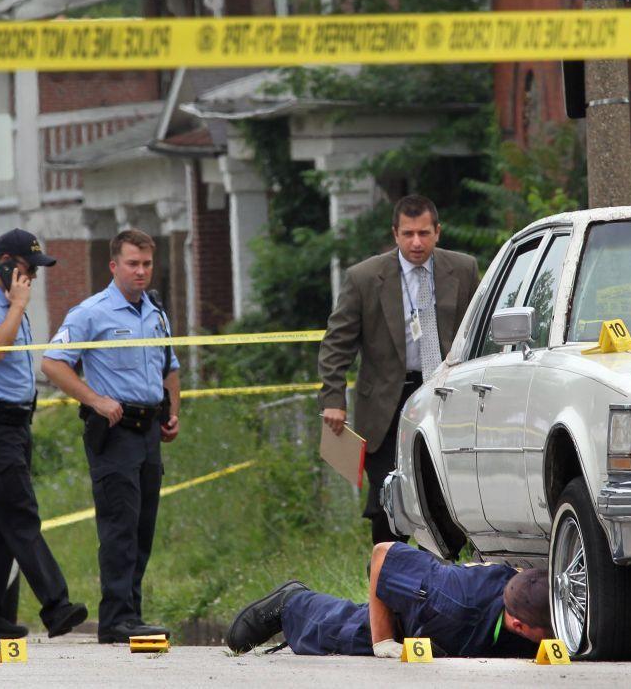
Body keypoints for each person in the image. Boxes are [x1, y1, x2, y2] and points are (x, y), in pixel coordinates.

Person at [41, 229, 181, 644]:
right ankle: (116, 617)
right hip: (115, 433)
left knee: (143, 526)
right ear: (114, 265)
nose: (141, 271)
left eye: (147, 264)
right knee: (119, 525)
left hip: (148, 430)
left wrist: (173, 412)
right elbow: (53, 364)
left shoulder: (155, 312)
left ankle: (131, 612)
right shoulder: (91, 313)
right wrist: (96, 399)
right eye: (133, 264)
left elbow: (169, 366)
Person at [0, 228, 87, 640]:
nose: (33, 278)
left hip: (14, 423)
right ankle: (56, 604)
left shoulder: (11, 303)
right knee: (21, 513)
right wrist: (19, 304)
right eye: (28, 269)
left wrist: (17, 303)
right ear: (6, 263)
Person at [318, 195, 478, 543]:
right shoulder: (364, 278)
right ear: (395, 234)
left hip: (443, 393)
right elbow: (337, 343)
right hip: (387, 403)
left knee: (442, 493)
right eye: (408, 234)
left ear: (438, 231)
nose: (416, 243)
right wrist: (332, 397)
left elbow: (480, 331)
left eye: (423, 233)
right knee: (388, 498)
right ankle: (386, 578)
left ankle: (444, 581)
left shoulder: (463, 270)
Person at [226, 542, 550, 657]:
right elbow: (383, 554)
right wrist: (384, 642)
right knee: (347, 634)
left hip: (466, 625)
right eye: (549, 633)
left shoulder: (543, 602)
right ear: (520, 625)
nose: (557, 636)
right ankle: (292, 602)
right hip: (417, 614)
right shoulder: (451, 599)